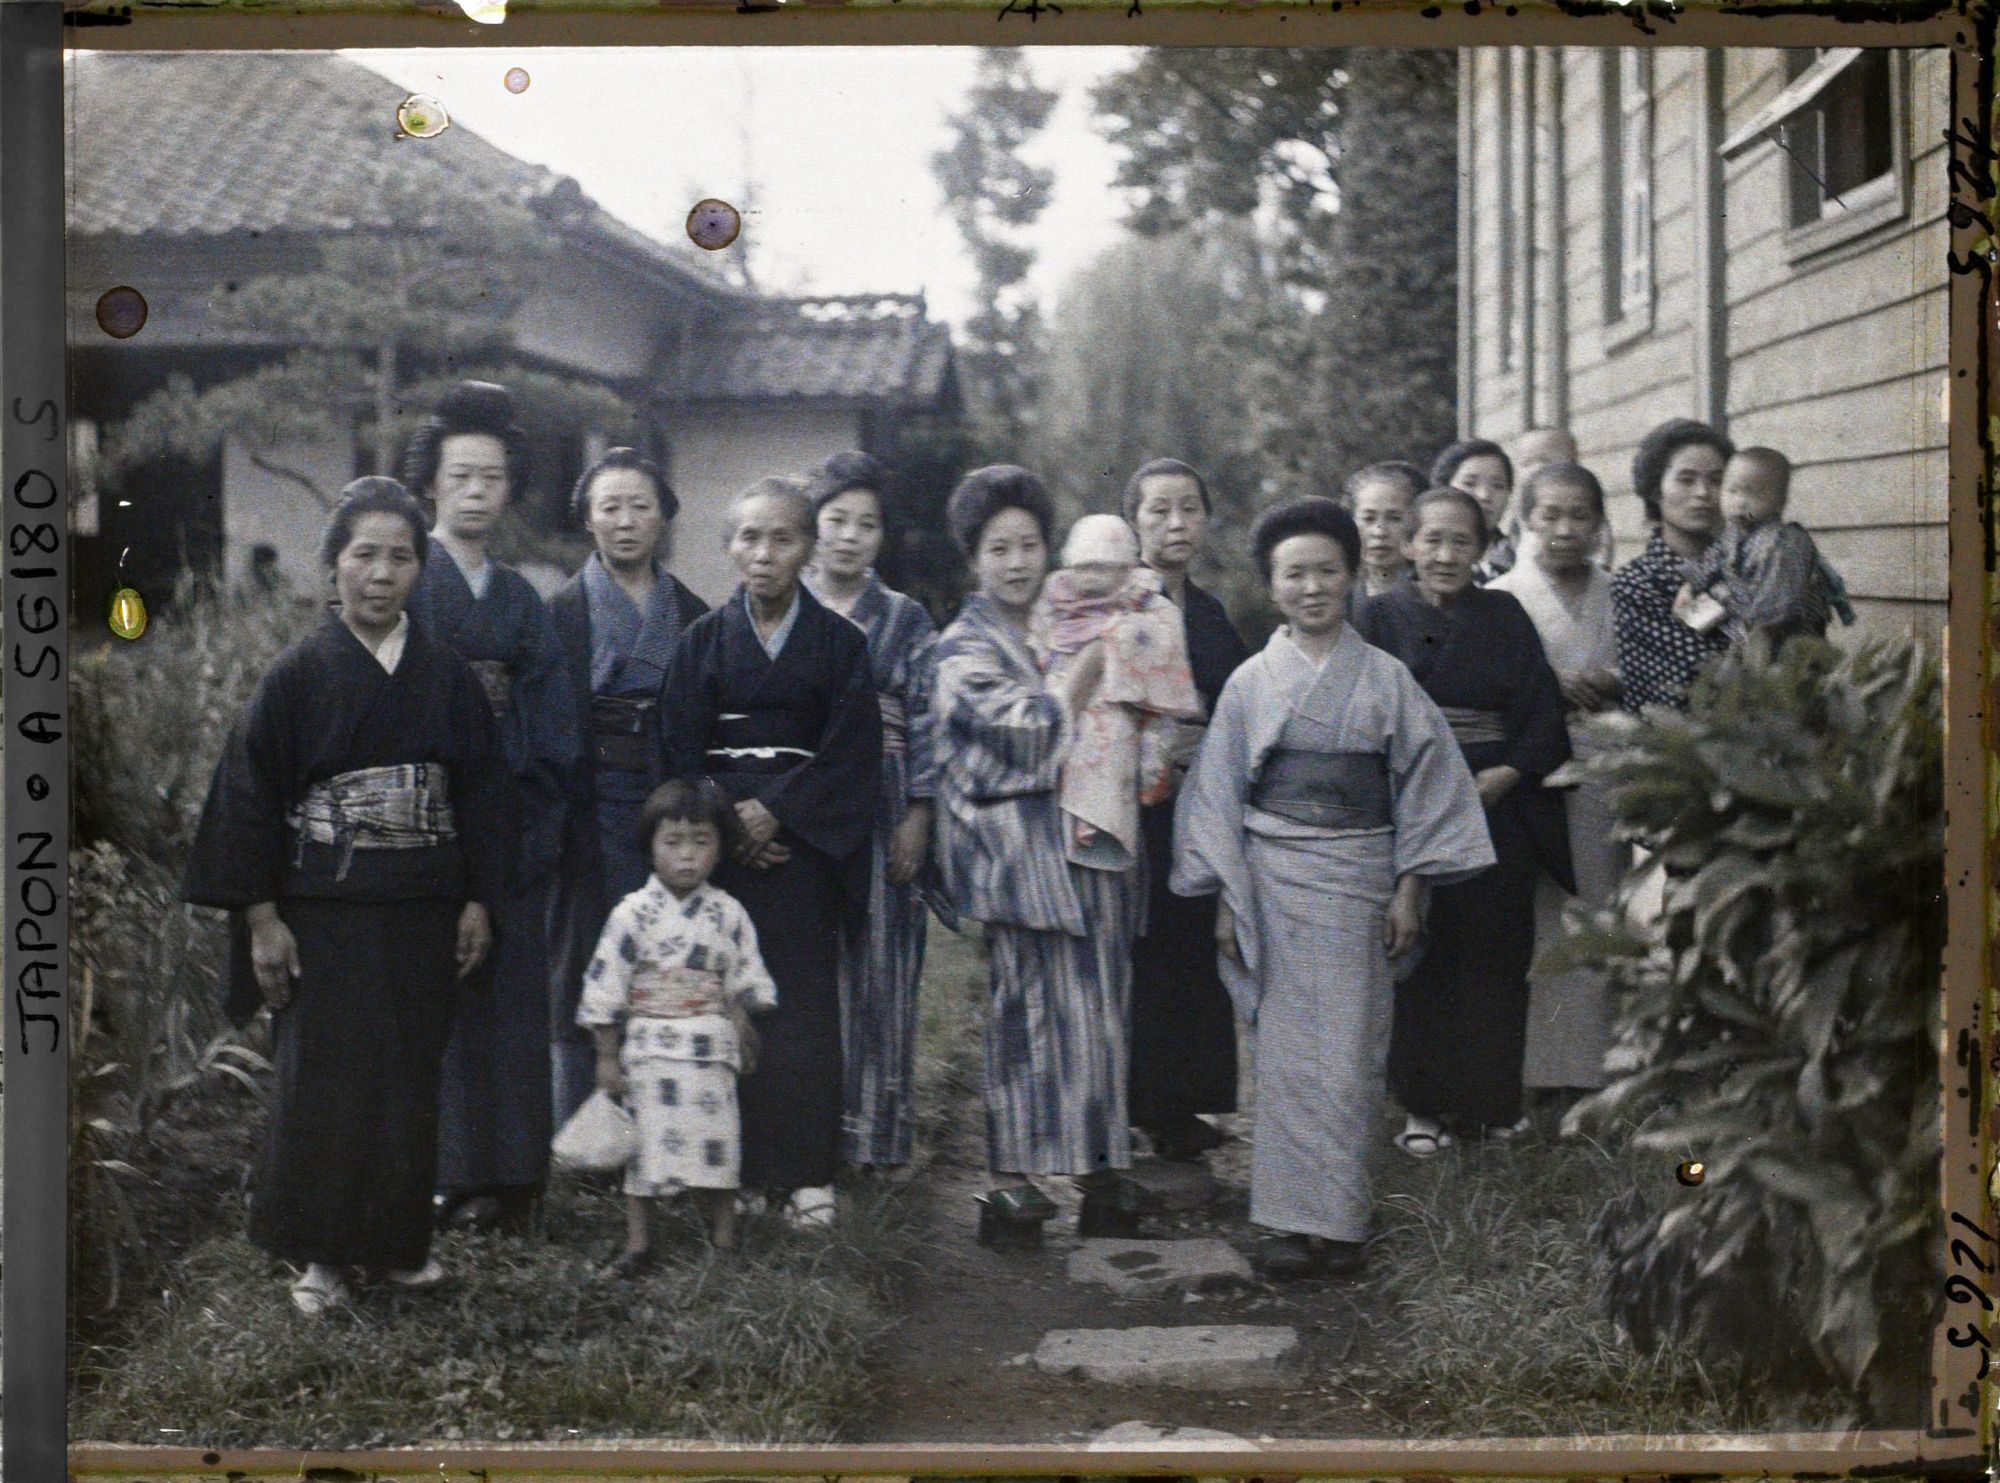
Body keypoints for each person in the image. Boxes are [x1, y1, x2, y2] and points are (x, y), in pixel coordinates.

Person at [181, 479, 506, 1316]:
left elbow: (484, 796)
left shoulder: (446, 678)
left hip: (425, 903)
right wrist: (261, 918)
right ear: (332, 570)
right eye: (363, 554)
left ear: (418, 572)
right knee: (324, 1080)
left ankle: (398, 1245)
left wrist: (478, 900)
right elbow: (247, 797)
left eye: (400, 556)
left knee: (408, 1073)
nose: (381, 572)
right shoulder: (296, 676)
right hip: (323, 907)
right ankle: (321, 1255)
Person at [1172, 496, 1492, 1279]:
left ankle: (1341, 1223)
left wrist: (1410, 886)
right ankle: (1286, 1220)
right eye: (1294, 573)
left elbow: (1428, 785)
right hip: (1274, 874)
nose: (1312, 586)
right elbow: (1217, 795)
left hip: (1362, 871)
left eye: (1327, 570)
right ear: (1271, 585)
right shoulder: (1252, 682)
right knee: (1284, 1053)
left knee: (1350, 1050)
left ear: (1353, 576)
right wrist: (1226, 895)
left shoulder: (1386, 678)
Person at [933, 465, 1151, 1244]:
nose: (1018, 562)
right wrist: (1093, 669)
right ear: (974, 558)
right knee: (1025, 1016)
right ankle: (1011, 1183)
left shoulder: (1063, 619)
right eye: (999, 548)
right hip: (1017, 853)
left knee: (1100, 1011)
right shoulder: (961, 647)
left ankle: (1100, 1170)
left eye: (1029, 544)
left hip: (1091, 845)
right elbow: (1024, 733)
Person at [661, 477, 882, 1229]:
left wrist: (777, 809)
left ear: (808, 549)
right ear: (729, 547)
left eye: (782, 538)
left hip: (803, 845)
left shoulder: (843, 644)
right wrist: (728, 819)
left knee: (804, 1007)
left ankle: (809, 1172)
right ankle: (743, 1169)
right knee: (731, 1004)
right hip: (726, 850)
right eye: (749, 538)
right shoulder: (700, 644)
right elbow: (678, 750)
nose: (764, 554)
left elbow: (853, 752)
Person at [402, 381, 583, 1234]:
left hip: (508, 817)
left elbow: (548, 715)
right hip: (423, 818)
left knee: (515, 998)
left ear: (510, 489)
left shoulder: (520, 597)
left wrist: (525, 811)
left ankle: (514, 1176)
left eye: (493, 477)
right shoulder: (405, 579)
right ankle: (444, 1172)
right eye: (461, 475)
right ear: (431, 483)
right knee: (439, 996)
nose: (476, 491)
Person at [1356, 487, 1573, 1155]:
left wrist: (1508, 774)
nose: (1446, 554)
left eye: (1461, 541)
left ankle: (1485, 1107)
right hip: (1409, 798)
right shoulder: (1378, 617)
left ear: (1481, 550)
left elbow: (1542, 712)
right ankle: (1421, 1107)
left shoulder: (1504, 614)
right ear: (1409, 545)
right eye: (1432, 540)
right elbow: (1362, 711)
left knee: (1493, 953)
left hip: (1493, 802)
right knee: (1423, 953)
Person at [548, 449, 711, 1129]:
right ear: (587, 519)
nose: (624, 521)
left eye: (640, 505)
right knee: (582, 955)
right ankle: (579, 1125)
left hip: (667, 800)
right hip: (587, 801)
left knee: (667, 952)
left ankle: (663, 1124)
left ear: (663, 518)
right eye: (609, 506)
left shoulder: (697, 614)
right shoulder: (559, 612)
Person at [802, 450, 940, 1175]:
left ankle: (878, 1139)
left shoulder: (905, 618)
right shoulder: (782, 600)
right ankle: (809, 1136)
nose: (850, 537)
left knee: (882, 966)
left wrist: (918, 811)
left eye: (867, 524)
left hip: (884, 798)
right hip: (802, 796)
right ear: (813, 525)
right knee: (808, 965)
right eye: (836, 520)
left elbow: (928, 716)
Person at [578, 780, 778, 1272]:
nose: (686, 857)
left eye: (701, 842)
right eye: (673, 842)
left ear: (720, 847)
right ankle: (639, 1246)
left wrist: (742, 1022)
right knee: (643, 1157)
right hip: (649, 1050)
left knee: (719, 1145)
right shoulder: (631, 914)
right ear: (650, 846)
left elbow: (741, 978)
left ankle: (724, 1244)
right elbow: (605, 987)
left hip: (710, 1049)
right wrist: (607, 1055)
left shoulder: (728, 914)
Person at [1121, 458, 1251, 1164]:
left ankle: (1175, 1109)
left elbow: (1236, 706)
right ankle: (1121, 1102)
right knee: (1130, 949)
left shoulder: (1210, 614)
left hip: (1193, 801)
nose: (1175, 523)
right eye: (1159, 510)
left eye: (1189, 509)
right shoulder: (1115, 603)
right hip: (1121, 801)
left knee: (1187, 947)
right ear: (1134, 521)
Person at [1489, 463, 1628, 1104]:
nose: (1566, 530)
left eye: (1581, 517)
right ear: (1525, 521)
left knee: (1601, 904)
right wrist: (1547, 687)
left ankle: (1598, 1068)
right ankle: (1535, 1070)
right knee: (1542, 912)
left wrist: (1613, 682)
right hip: (1533, 772)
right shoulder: (1505, 595)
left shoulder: (1620, 592)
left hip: (1606, 763)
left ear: (1600, 525)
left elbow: (1646, 671)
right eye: (1551, 516)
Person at [1028, 513, 1200, 872]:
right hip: (1064, 705)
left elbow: (1161, 646)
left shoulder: (1144, 599)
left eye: (1102, 569)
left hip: (1127, 707)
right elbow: (1037, 642)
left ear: (1125, 568)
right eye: (1083, 568)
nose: (1089, 579)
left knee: (1117, 745)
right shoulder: (1055, 596)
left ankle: (1100, 825)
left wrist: (1117, 639)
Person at [1610, 418, 1735, 713]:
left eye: (1717, 480)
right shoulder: (1637, 583)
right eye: (1686, 479)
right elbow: (1697, 682)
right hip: (1674, 746)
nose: (1704, 493)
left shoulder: (1745, 566)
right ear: (1655, 489)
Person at [1677, 446, 1856, 648]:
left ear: (1780, 501)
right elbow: (1709, 564)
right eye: (1731, 490)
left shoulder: (1783, 543)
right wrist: (1690, 587)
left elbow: (1773, 613)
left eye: (1753, 494)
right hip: (1745, 633)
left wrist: (1719, 600)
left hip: (1786, 645)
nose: (1739, 502)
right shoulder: (1732, 534)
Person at [1339, 461, 1424, 620]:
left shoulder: (1431, 597)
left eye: (1394, 518)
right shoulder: (1339, 600)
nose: (1380, 532)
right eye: (1369, 519)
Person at [1430, 439, 1517, 582]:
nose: (1484, 495)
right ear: (1443, 489)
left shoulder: (1520, 560)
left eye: (1497, 485)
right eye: (1470, 483)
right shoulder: (1422, 557)